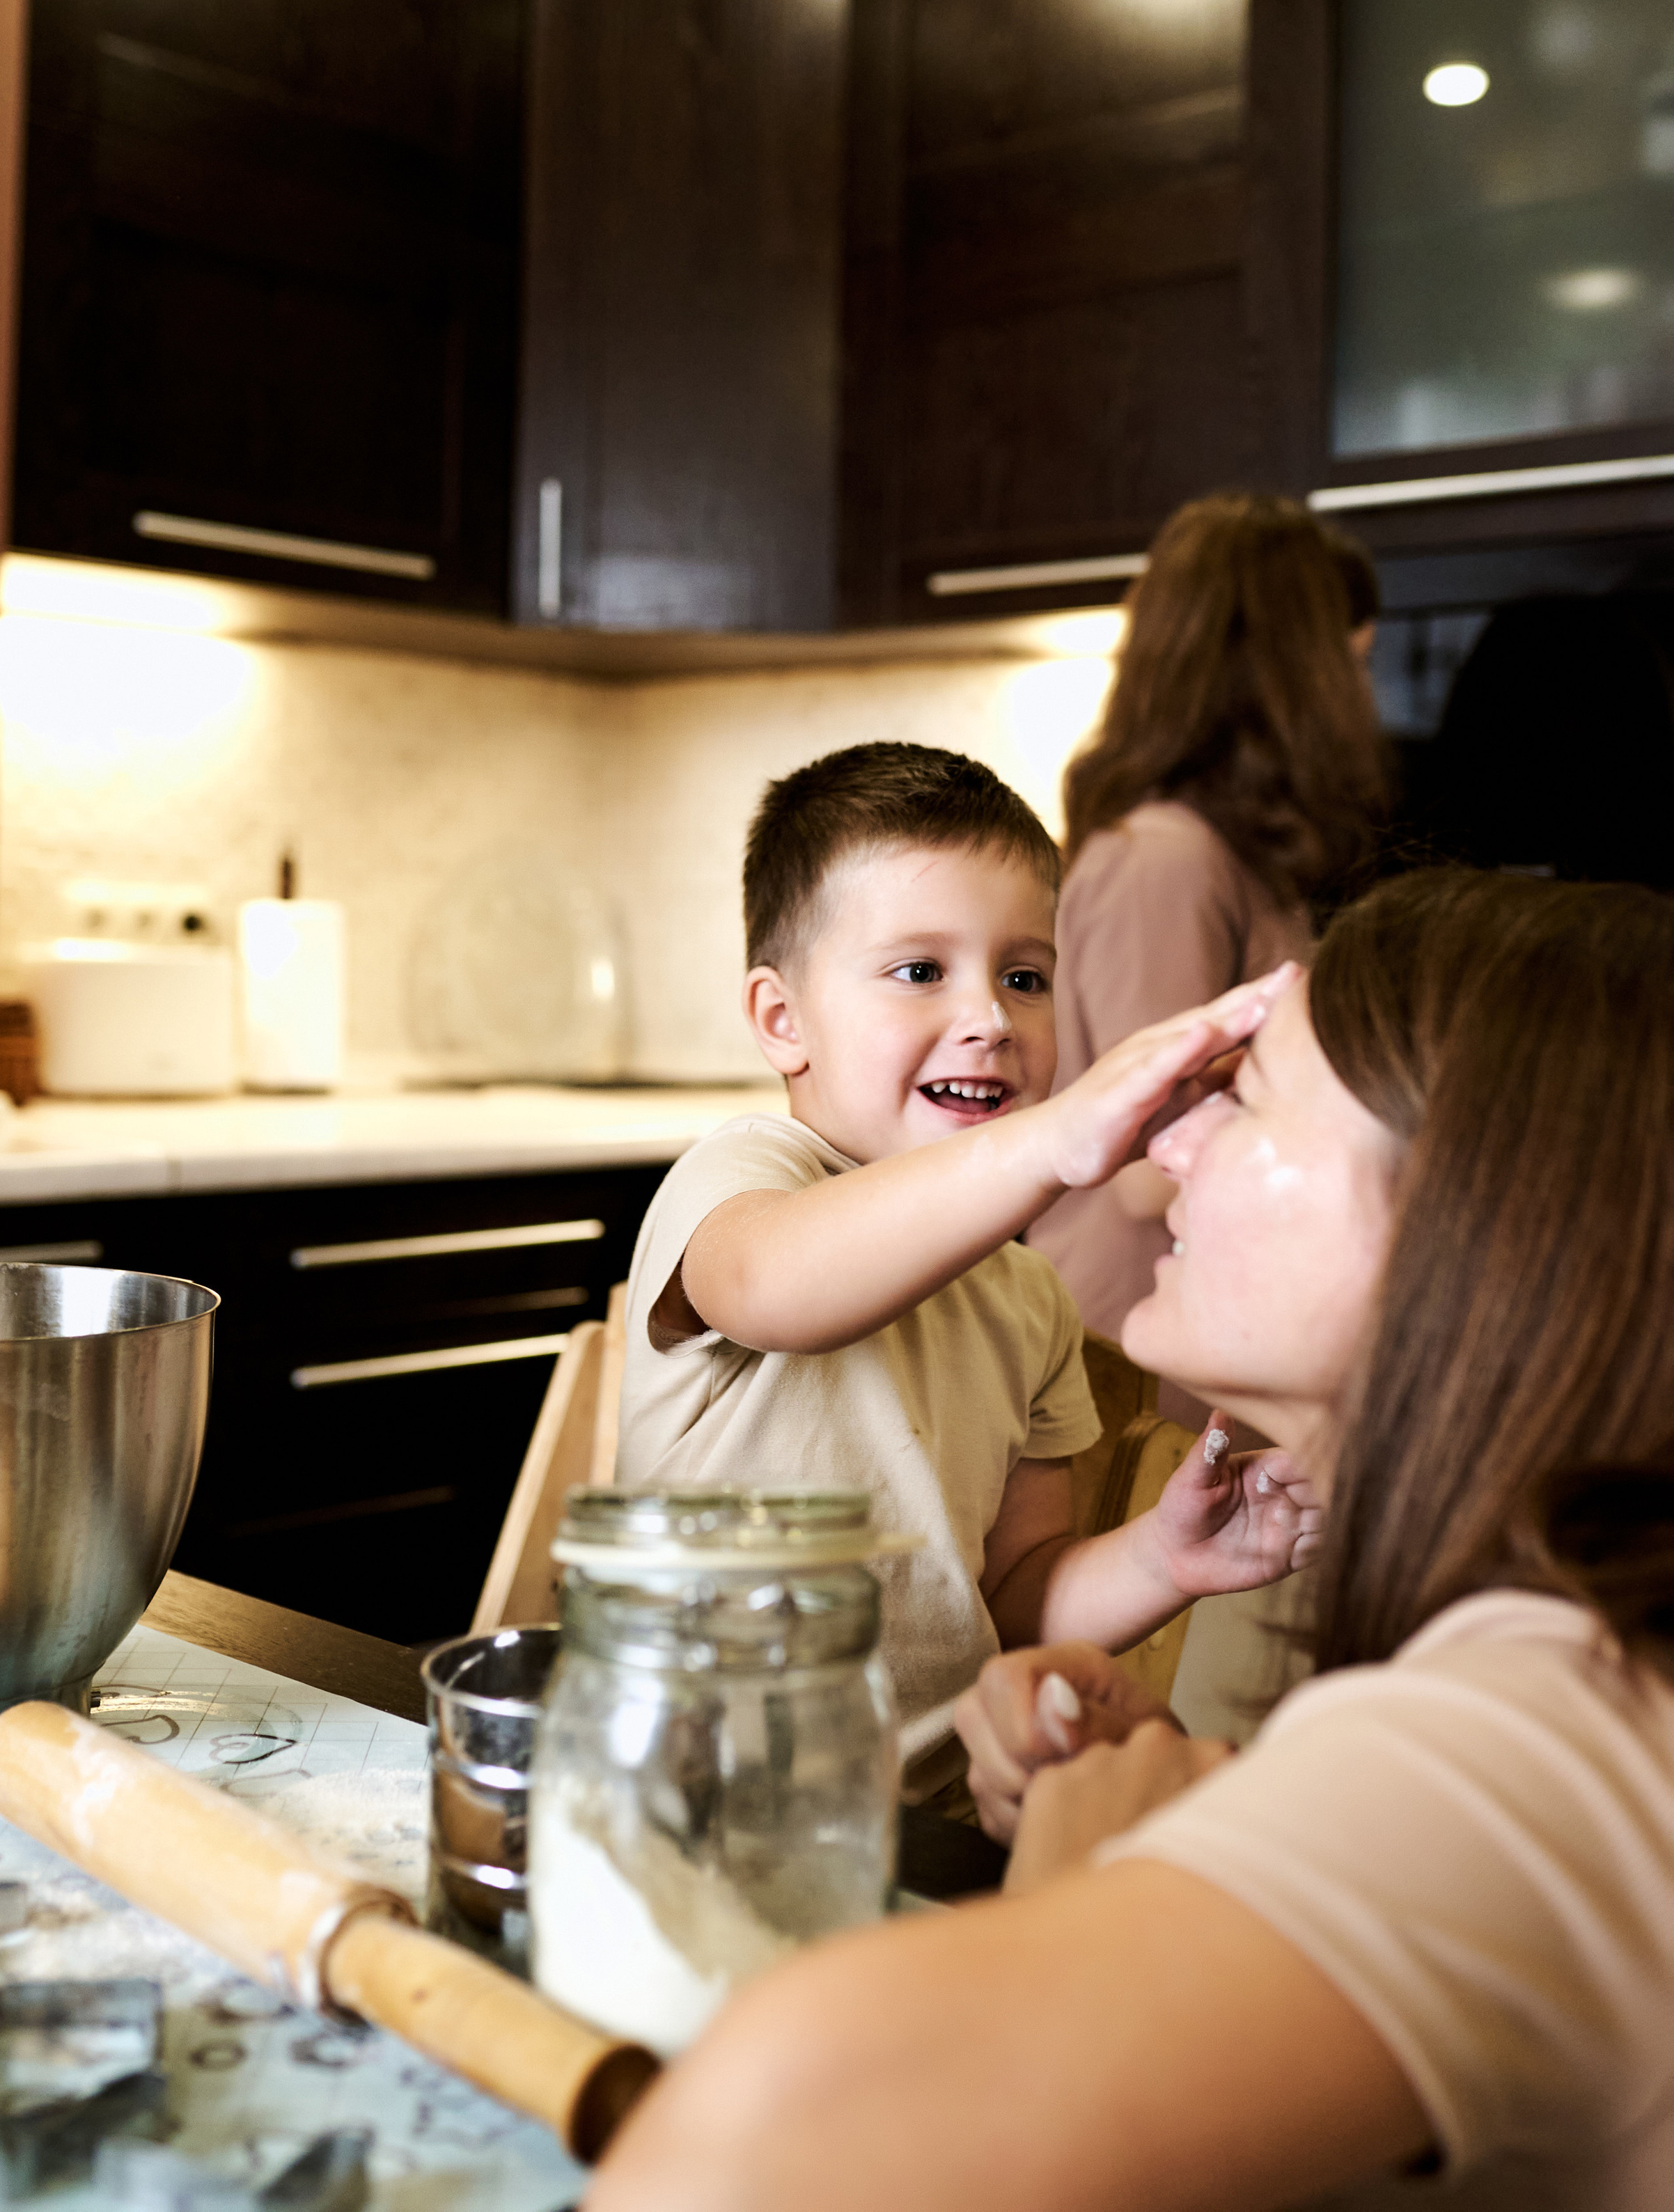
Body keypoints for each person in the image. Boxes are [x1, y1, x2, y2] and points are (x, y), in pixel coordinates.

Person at [590, 869, 1674, 2212]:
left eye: (1249, 1090)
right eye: (916, 969)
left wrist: (1073, 1881)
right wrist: (1207, 1828)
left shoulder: (1534, 1738)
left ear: (1481, 1217)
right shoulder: (1556, 1691)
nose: (1165, 1149)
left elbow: (746, 2154)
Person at [616, 742, 1317, 1804]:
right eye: (920, 970)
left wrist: (1167, 1557)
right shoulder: (742, 1180)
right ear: (781, 1020)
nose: (991, 1017)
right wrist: (1057, 1140)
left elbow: (1013, 1599)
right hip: (694, 1800)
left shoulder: (1028, 1295)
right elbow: (777, 1290)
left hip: (928, 1818)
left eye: (1024, 977)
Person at [1029, 492, 1386, 1381]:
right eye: (1352, 664)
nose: (1364, 698)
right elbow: (1149, 1164)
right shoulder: (1163, 860)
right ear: (1296, 671)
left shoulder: (1225, 854)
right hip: (1127, 1361)